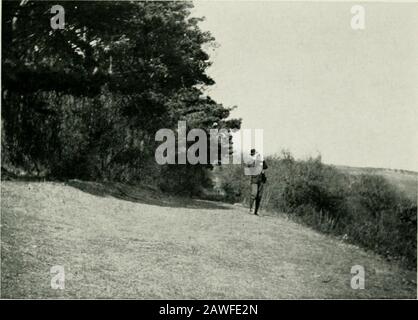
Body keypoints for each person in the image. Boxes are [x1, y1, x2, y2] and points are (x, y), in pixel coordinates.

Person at [245, 149, 268, 215]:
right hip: (254, 180)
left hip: (261, 180)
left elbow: (266, 167)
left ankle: (256, 211)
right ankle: (251, 209)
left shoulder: (261, 161)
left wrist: (262, 160)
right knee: (254, 194)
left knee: (259, 196)